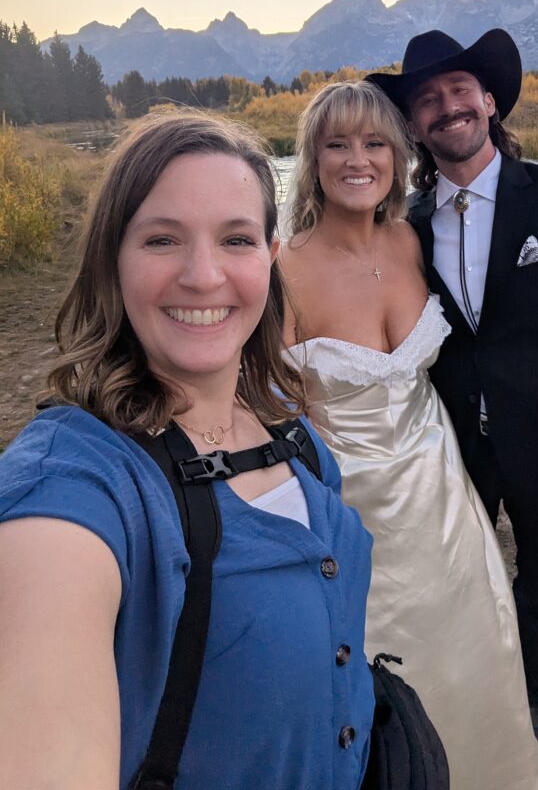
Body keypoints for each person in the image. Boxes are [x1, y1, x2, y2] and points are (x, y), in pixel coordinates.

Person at [0, 112, 374, 790]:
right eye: (163, 239)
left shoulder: (293, 433)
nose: (204, 276)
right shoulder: (75, 483)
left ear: (270, 256)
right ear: (113, 261)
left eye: (236, 238)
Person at [367, 28, 538, 752]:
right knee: (457, 576)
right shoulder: (407, 228)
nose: (446, 107)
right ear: (415, 127)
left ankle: (527, 701)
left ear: (489, 102)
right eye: (427, 99)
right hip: (451, 442)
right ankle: (465, 696)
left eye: (460, 90)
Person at [280, 80, 538, 790]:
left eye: (374, 143)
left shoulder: (409, 237)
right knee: (383, 669)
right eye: (337, 144)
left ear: (399, 156)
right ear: (312, 159)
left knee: (472, 648)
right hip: (356, 507)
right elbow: (276, 411)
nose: (357, 159)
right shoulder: (285, 269)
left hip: (442, 488)